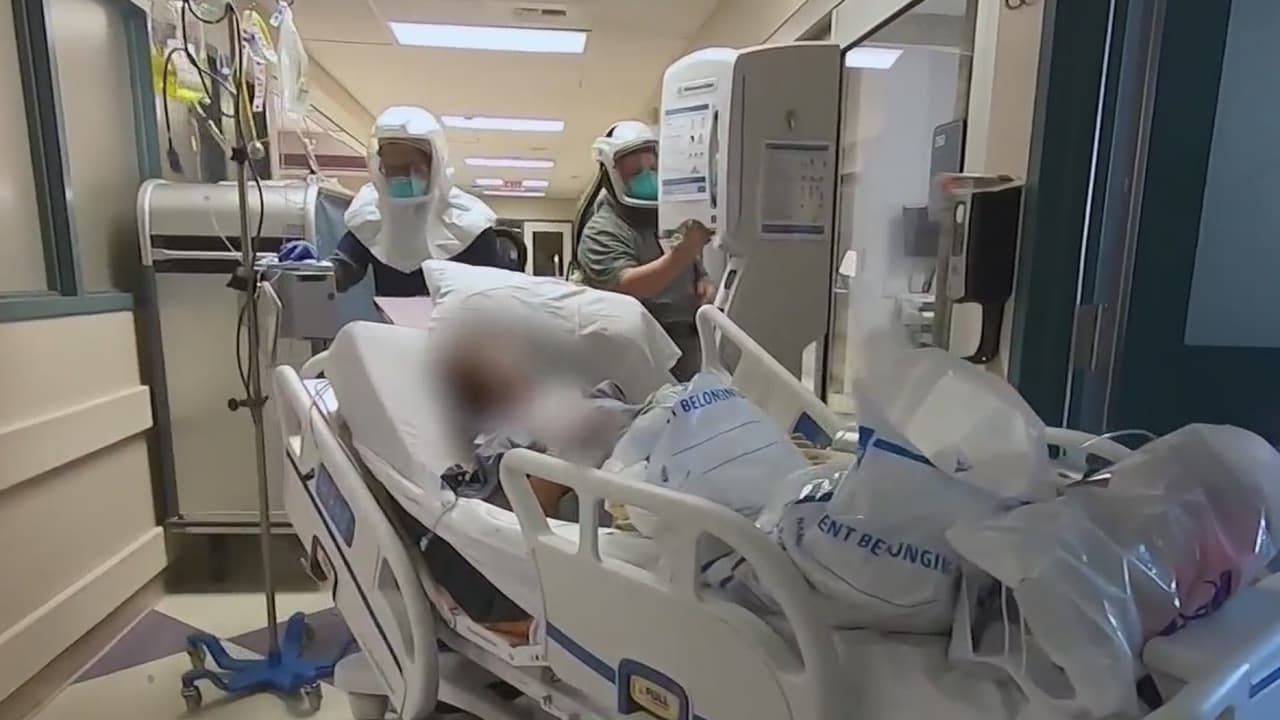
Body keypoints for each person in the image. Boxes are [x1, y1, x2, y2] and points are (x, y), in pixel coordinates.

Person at [280, 106, 517, 296]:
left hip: (459, 336)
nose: (400, 178)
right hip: (395, 333)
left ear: (434, 165)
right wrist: (313, 269)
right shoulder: (371, 212)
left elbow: (492, 296)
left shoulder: (470, 222)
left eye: (409, 168)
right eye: (391, 170)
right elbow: (344, 269)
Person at [576, 121, 715, 381]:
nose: (648, 177)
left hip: (688, 347)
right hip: (637, 354)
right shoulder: (602, 229)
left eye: (652, 169)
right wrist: (682, 254)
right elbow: (627, 285)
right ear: (614, 175)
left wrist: (703, 280)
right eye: (637, 172)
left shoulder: (666, 220)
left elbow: (691, 265)